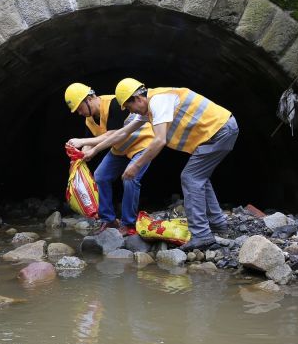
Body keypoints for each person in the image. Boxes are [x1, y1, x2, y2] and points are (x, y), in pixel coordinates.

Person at [83, 78, 239, 251]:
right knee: (199, 178)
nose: (129, 111)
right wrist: (94, 149)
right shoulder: (147, 108)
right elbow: (123, 132)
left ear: (139, 99)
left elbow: (159, 140)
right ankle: (218, 224)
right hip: (216, 132)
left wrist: (135, 166)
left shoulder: (158, 101)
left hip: (220, 131)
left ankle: (202, 235)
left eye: (129, 107)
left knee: (190, 177)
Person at [64, 82, 155, 236]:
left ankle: (128, 224)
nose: (79, 113)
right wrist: (80, 154)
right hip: (120, 149)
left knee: (130, 178)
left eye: (80, 108)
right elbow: (89, 140)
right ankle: (109, 219)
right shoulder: (90, 118)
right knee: (100, 176)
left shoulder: (114, 103)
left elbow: (112, 134)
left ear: (90, 98)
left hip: (142, 144)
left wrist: (83, 142)